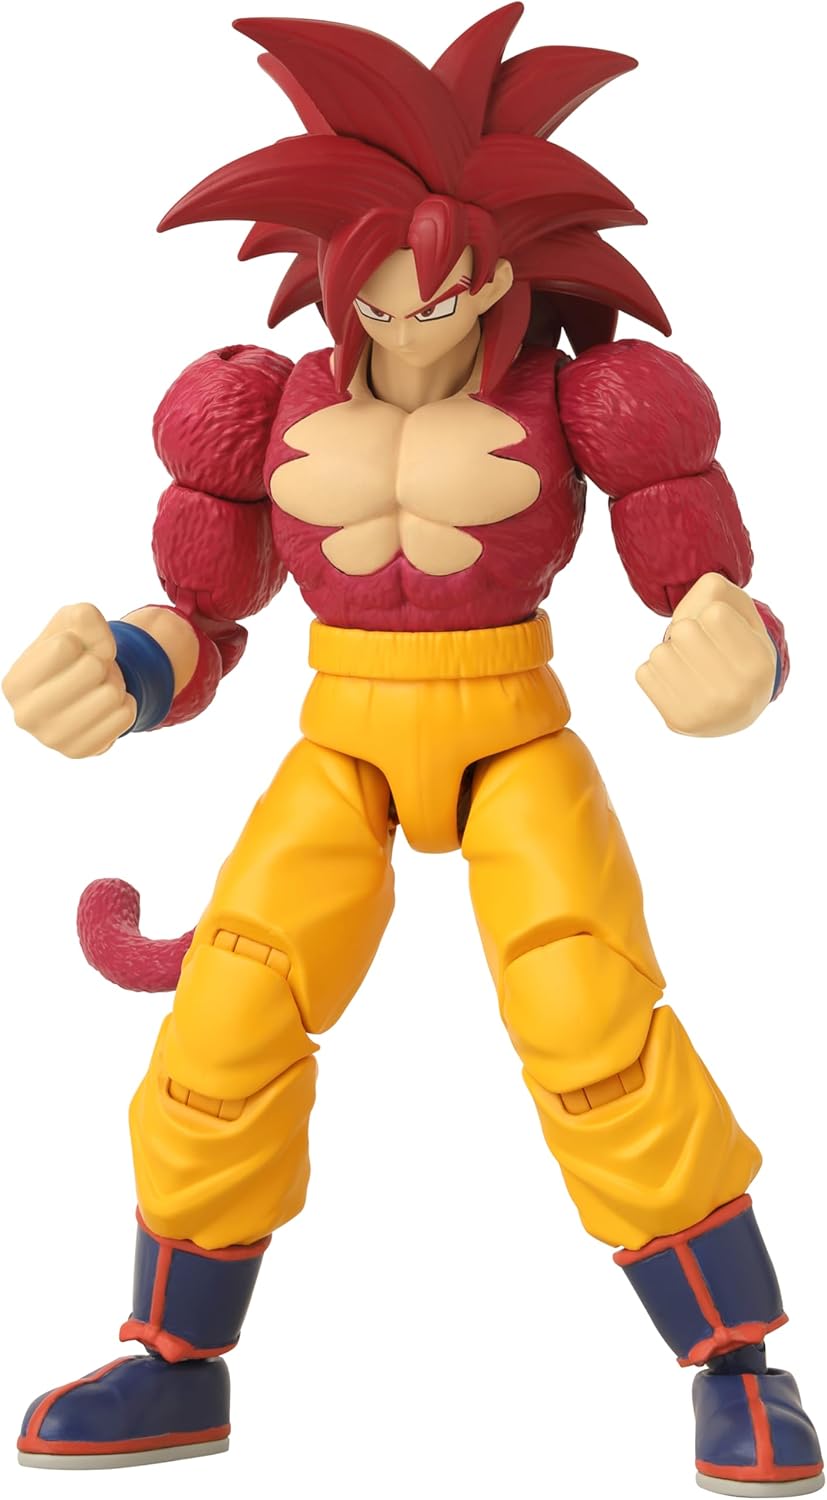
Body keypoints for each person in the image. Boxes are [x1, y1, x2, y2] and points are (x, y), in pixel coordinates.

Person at [5, 7, 822, 1491]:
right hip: (344, 735)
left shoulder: (593, 397)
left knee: (591, 1020)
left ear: (506, 272)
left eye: (445, 284)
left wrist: (743, 659)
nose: (409, 316)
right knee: (225, 1020)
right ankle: (175, 1363)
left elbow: (702, 591)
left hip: (513, 732)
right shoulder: (259, 404)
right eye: (374, 285)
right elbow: (206, 614)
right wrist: (124, 670)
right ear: (331, 272)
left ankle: (737, 1361)